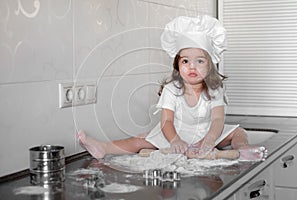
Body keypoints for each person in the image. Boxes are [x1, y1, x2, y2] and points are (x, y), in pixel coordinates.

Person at [77, 15, 267, 161]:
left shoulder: (215, 89)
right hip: (176, 134)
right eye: (185, 61)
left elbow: (218, 120)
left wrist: (209, 140)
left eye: (199, 61)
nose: (192, 67)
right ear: (177, 65)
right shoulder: (171, 89)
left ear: (210, 65)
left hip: (208, 133)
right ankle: (103, 147)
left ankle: (242, 149)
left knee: (238, 132)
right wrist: (175, 141)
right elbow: (166, 122)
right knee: (138, 140)